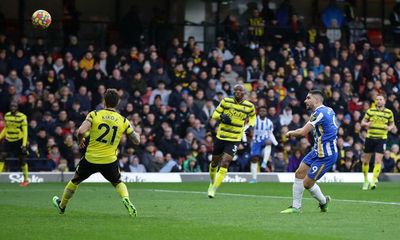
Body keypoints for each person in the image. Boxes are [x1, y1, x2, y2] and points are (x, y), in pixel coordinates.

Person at [52, 89, 140, 217]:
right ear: (118, 102)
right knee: (118, 182)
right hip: (110, 160)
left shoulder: (94, 114)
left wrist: (80, 141)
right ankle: (125, 199)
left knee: (75, 181)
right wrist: (132, 131)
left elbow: (80, 131)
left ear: (104, 101)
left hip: (91, 159)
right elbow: (136, 140)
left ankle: (62, 206)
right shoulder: (123, 120)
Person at [281, 90, 338, 213]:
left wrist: (290, 133)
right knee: (299, 173)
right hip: (317, 151)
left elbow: (302, 132)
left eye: (308, 98)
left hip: (326, 155)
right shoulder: (328, 110)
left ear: (316, 100)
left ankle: (323, 202)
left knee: (307, 183)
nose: (305, 100)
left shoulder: (319, 113)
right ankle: (296, 207)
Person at [208, 84, 256, 198]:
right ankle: (211, 182)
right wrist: (221, 117)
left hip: (234, 139)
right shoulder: (225, 101)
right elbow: (214, 114)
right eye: (236, 90)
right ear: (233, 92)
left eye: (240, 90)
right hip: (221, 136)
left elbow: (253, 117)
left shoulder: (249, 106)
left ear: (244, 92)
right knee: (214, 162)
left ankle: (213, 189)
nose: (238, 92)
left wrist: (249, 126)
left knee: (225, 162)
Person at [361, 94, 394, 190]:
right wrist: (367, 124)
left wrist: (389, 127)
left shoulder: (389, 112)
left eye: (380, 99)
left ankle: (373, 181)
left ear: (384, 101)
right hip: (370, 137)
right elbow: (362, 122)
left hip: (381, 139)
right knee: (366, 161)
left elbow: (392, 124)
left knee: (378, 161)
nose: (378, 101)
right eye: (377, 99)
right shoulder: (370, 111)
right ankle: (366, 180)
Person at [0, 102, 29, 187]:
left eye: (14, 106)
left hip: (19, 140)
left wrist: (24, 145)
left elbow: (25, 131)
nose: (13, 107)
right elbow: (6, 128)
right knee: (2, 157)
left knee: (22, 160)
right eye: (11, 106)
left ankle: (26, 180)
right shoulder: (7, 115)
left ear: (17, 107)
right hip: (8, 139)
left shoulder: (22, 117)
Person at [249, 106, 278, 183]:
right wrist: (248, 138)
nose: (262, 112)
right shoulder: (254, 120)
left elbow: (270, 133)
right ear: (258, 112)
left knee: (269, 142)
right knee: (254, 159)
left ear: (266, 112)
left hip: (264, 140)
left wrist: (275, 143)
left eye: (264, 111)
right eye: (261, 111)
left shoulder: (269, 122)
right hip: (255, 141)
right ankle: (254, 178)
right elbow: (248, 129)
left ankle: (264, 163)